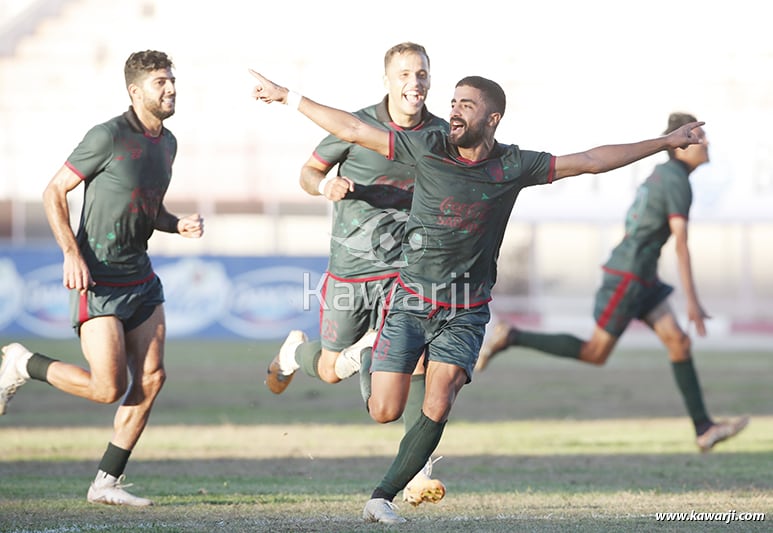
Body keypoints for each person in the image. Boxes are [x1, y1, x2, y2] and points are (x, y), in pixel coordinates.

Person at [248, 68, 705, 523]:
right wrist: (288, 96)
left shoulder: (513, 165)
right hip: (410, 301)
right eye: (453, 103)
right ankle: (365, 356)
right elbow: (352, 128)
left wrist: (663, 142)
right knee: (384, 411)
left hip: (466, 310)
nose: (453, 111)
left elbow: (589, 159)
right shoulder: (427, 148)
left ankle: (381, 497)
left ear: (493, 118)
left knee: (440, 398)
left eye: (466, 105)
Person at [0, 50, 204, 507]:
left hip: (141, 278)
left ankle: (106, 482)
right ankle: (21, 363)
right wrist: (71, 253)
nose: (170, 89)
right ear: (135, 91)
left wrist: (176, 224)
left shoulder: (167, 143)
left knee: (152, 377)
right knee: (107, 387)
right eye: (160, 83)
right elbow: (53, 190)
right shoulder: (108, 136)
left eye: (172, 80)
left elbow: (147, 211)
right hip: (99, 279)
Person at [476, 112, 748, 453]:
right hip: (628, 276)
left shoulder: (666, 174)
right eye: (697, 137)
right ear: (680, 147)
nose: (705, 143)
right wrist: (692, 301)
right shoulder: (676, 180)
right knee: (596, 352)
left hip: (642, 276)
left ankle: (704, 429)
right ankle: (510, 336)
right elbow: (681, 242)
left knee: (678, 342)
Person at [264, 43, 449, 507]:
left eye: (422, 73)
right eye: (405, 73)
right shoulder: (354, 125)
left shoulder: (442, 135)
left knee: (419, 361)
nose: (415, 82)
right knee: (329, 370)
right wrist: (325, 185)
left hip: (408, 271)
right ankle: (293, 355)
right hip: (351, 272)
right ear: (387, 80)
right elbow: (308, 173)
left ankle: (417, 473)